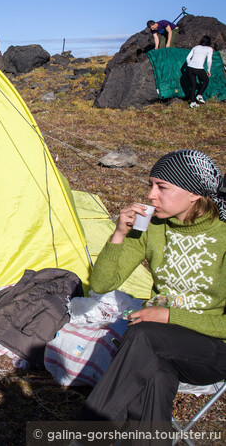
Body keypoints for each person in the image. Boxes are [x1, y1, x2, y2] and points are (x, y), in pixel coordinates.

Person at [78, 150, 226, 431]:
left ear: (194, 194)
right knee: (155, 375)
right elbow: (101, 284)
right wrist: (119, 234)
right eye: (151, 185)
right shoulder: (152, 226)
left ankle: (88, 432)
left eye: (162, 187)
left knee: (142, 333)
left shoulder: (223, 237)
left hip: (212, 350)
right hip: (160, 345)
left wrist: (168, 316)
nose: (150, 196)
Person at [186, 35, 214, 109]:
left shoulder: (196, 47)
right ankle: (199, 95)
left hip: (189, 68)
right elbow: (209, 60)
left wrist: (190, 65)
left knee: (193, 85)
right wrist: (208, 70)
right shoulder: (209, 49)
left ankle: (192, 103)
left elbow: (188, 58)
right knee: (206, 80)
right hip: (198, 68)